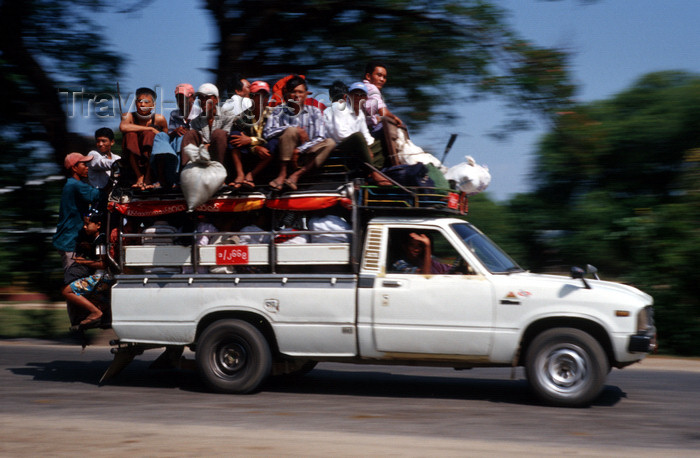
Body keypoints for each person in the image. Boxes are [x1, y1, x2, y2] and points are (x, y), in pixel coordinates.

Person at [263, 75, 336, 191]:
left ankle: (296, 175)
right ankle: (282, 175)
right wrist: (294, 128)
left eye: (300, 92)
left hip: (306, 155)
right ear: (287, 94)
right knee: (290, 130)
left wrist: (299, 150)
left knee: (330, 142)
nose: (297, 95)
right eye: (293, 92)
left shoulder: (315, 112)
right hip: (284, 154)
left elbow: (320, 137)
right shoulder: (279, 111)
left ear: (306, 94)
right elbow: (267, 133)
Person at [323, 81, 390, 185]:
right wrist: (365, 146)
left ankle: (368, 173)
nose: (358, 98)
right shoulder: (339, 108)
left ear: (366, 99)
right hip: (338, 148)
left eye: (361, 95)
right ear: (348, 96)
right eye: (355, 95)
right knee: (358, 137)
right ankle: (373, 172)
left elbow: (367, 136)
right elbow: (341, 134)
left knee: (380, 142)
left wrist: (369, 145)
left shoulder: (360, 115)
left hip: (355, 147)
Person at [53, 153, 102, 271]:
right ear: (74, 168)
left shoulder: (73, 184)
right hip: (69, 241)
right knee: (73, 277)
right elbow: (99, 195)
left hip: (72, 240)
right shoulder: (75, 185)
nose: (87, 167)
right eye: (83, 164)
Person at [62, 209, 108, 331]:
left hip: (101, 277)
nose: (84, 226)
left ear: (98, 225)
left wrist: (83, 261)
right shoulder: (96, 240)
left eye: (88, 224)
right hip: (101, 276)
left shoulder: (101, 241)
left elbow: (103, 264)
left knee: (67, 292)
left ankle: (96, 312)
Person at [119, 87, 170, 189]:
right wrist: (149, 129)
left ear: (153, 105)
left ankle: (148, 176)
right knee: (130, 135)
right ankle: (139, 176)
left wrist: (150, 132)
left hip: (151, 154)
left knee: (149, 136)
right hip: (132, 155)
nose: (142, 105)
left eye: (146, 102)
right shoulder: (128, 116)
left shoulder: (159, 119)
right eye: (139, 101)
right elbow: (123, 127)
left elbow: (165, 138)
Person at [228, 80, 274, 189]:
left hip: (267, 156)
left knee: (275, 142)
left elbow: (273, 135)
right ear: (252, 98)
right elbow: (237, 137)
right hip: (250, 154)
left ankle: (251, 175)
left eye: (266, 96)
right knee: (234, 135)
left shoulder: (274, 114)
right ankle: (240, 174)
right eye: (258, 96)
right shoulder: (242, 117)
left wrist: (252, 141)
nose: (263, 99)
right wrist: (253, 146)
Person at [182, 83, 236, 169]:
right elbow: (200, 141)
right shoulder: (195, 121)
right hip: (203, 155)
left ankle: (220, 172)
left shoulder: (227, 115)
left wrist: (208, 145)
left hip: (224, 156)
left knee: (219, 134)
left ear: (216, 99)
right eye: (200, 98)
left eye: (207, 98)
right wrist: (204, 145)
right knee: (190, 134)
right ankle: (187, 170)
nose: (203, 101)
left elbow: (226, 136)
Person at [166, 83, 202, 179]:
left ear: (193, 99)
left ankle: (178, 173)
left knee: (181, 139)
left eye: (184, 98)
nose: (181, 102)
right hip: (176, 145)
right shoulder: (174, 114)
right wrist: (175, 131)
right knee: (177, 139)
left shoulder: (200, 114)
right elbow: (170, 134)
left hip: (194, 146)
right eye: (178, 99)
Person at [363, 61, 403, 135]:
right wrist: (394, 118)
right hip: (366, 131)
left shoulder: (362, 88)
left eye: (384, 77)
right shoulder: (371, 88)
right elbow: (382, 112)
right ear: (368, 76)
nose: (382, 79)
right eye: (379, 75)